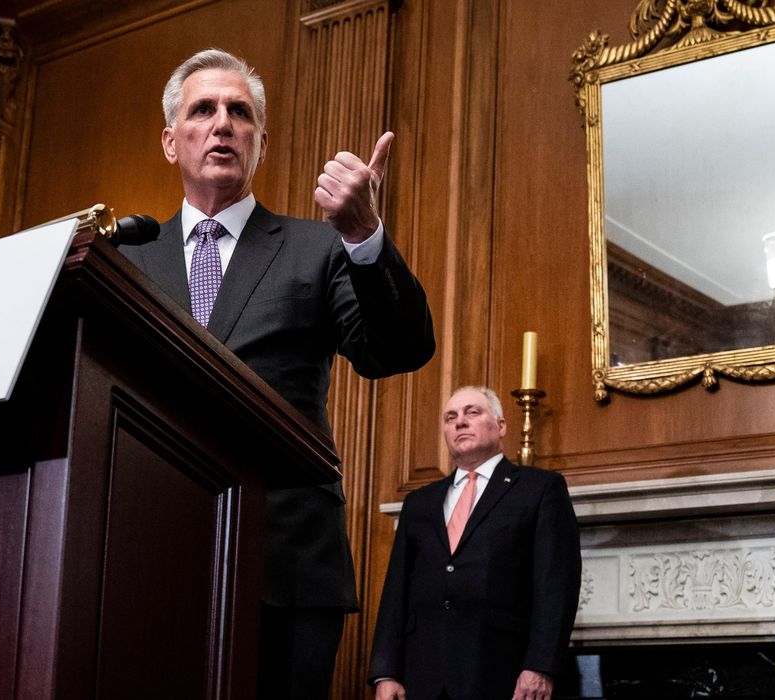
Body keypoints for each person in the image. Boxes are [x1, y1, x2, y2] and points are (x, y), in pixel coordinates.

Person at [118, 49, 435, 697]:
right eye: (202, 110)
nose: (222, 123)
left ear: (261, 142)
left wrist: (364, 234)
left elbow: (396, 350)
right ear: (170, 141)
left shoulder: (317, 246)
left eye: (240, 112)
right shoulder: (126, 256)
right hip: (148, 555)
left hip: (285, 562)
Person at [367, 386, 581, 700]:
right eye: (450, 417)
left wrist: (541, 665)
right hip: (423, 676)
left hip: (501, 672)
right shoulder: (419, 503)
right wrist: (385, 671)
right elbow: (396, 592)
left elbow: (556, 585)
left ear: (502, 426)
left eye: (472, 412)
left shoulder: (540, 489)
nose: (460, 422)